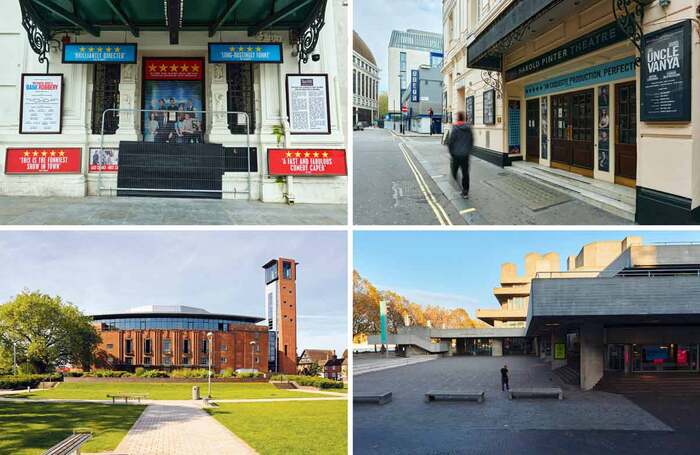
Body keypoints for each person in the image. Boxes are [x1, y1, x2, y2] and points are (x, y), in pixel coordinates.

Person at [447, 111, 473, 198]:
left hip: (456, 155)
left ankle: (460, 187)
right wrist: (468, 151)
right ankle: (465, 191)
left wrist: (451, 153)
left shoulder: (455, 128)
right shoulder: (468, 128)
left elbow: (450, 142)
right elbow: (471, 140)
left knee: (454, 172)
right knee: (465, 173)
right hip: (465, 155)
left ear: (458, 118)